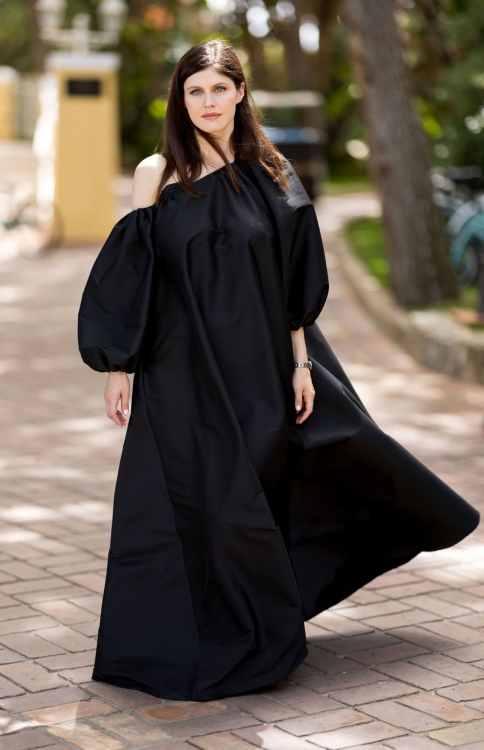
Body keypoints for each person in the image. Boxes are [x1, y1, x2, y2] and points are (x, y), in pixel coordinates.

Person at [77, 39, 480, 702]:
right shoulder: (158, 172)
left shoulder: (270, 169)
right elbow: (135, 274)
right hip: (179, 363)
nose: (206, 102)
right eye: (194, 90)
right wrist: (119, 366)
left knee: (254, 495)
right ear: (182, 99)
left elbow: (294, 280)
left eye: (218, 88)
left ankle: (257, 631)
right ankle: (174, 643)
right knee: (186, 497)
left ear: (240, 93)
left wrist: (300, 365)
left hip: (260, 359)